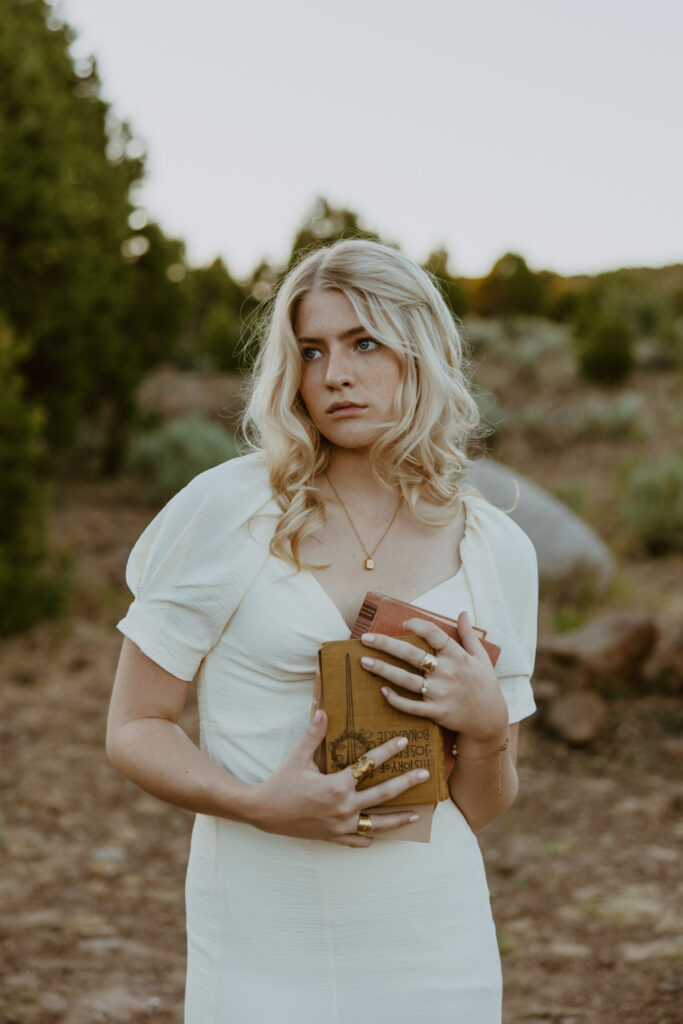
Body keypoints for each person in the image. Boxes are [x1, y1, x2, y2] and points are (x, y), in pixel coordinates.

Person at [107, 239, 538, 1024]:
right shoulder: (228, 508)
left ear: (423, 353)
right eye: (311, 351)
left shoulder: (494, 548)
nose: (333, 373)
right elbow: (135, 725)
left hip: (433, 949)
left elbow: (478, 806)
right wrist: (255, 803)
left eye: (363, 343)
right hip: (261, 940)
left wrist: (482, 731)